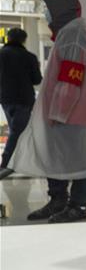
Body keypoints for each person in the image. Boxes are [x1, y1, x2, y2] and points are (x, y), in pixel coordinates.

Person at [9, 0, 86, 222]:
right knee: (56, 156)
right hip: (62, 111)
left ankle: (78, 206)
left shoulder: (74, 35)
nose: (45, 13)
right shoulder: (68, 33)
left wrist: (59, 112)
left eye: (48, 8)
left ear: (61, 11)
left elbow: (71, 78)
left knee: (79, 160)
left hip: (71, 113)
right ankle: (58, 200)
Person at [0, 27, 42, 178]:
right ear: (24, 40)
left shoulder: (1, 55)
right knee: (18, 131)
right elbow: (37, 80)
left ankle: (16, 163)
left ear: (8, 38)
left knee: (16, 130)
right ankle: (6, 163)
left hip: (5, 98)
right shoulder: (29, 57)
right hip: (24, 99)